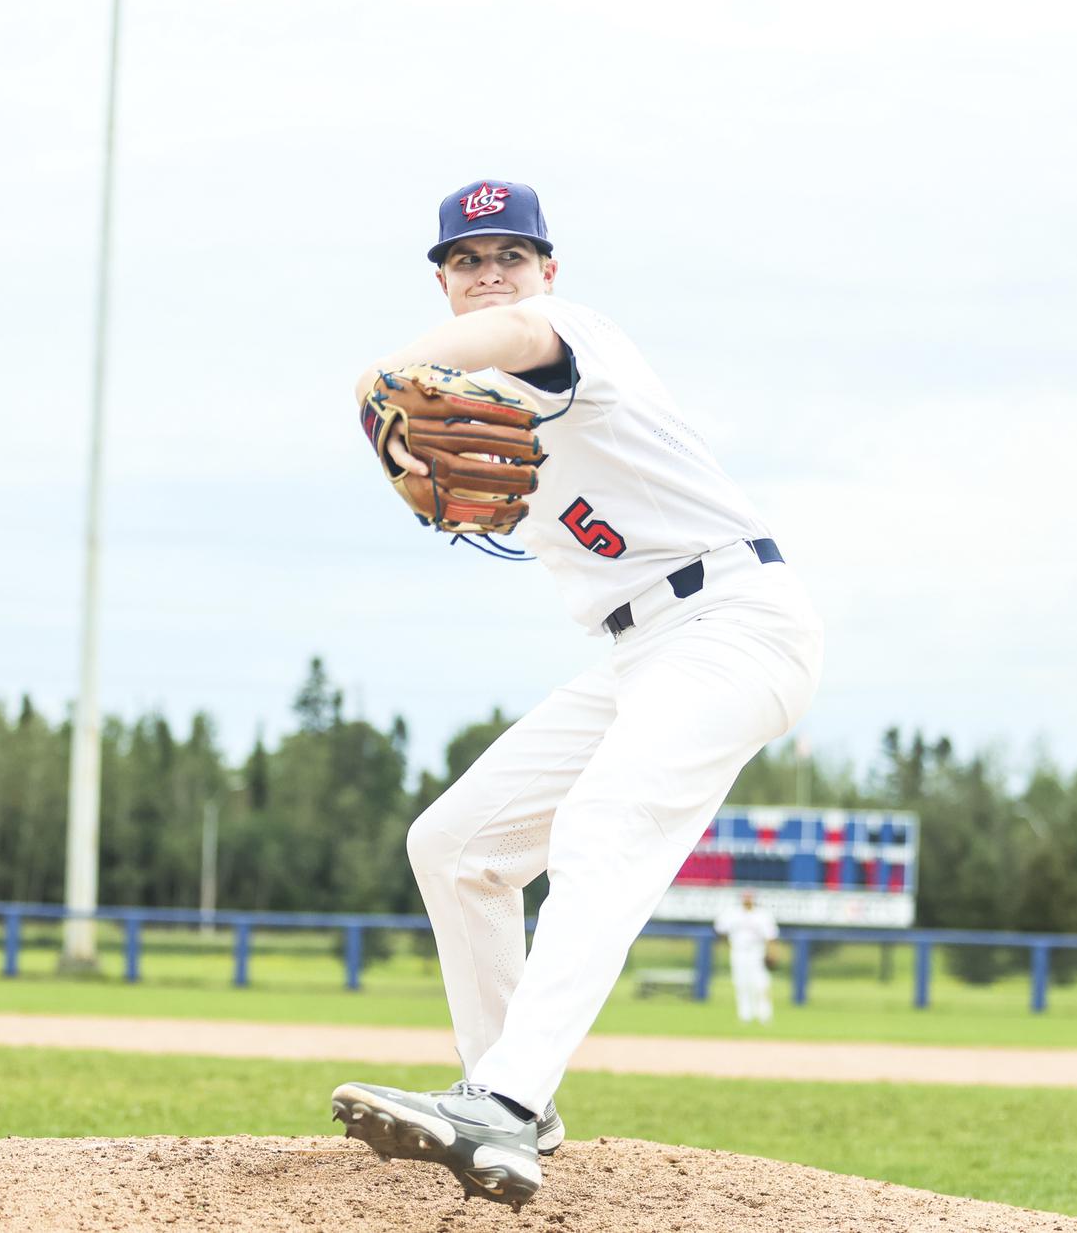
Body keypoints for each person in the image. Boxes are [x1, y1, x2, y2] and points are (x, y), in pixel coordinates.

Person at [330, 180, 824, 1209]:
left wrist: (382, 375)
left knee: (603, 821)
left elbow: (514, 331)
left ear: (547, 269)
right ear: (441, 278)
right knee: (455, 845)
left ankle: (506, 1101)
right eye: (468, 259)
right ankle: (506, 1097)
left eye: (511, 252)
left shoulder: (564, 329)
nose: (491, 271)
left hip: (734, 619)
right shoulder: (481, 405)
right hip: (639, 653)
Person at [713, 890, 780, 1024]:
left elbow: (771, 937)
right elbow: (720, 930)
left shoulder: (762, 915)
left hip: (757, 951)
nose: (747, 900)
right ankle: (745, 1016)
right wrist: (729, 945)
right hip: (739, 951)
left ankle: (764, 1016)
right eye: (745, 897)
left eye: (750, 897)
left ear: (753, 899)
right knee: (741, 983)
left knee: (761, 984)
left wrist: (772, 953)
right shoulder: (732, 913)